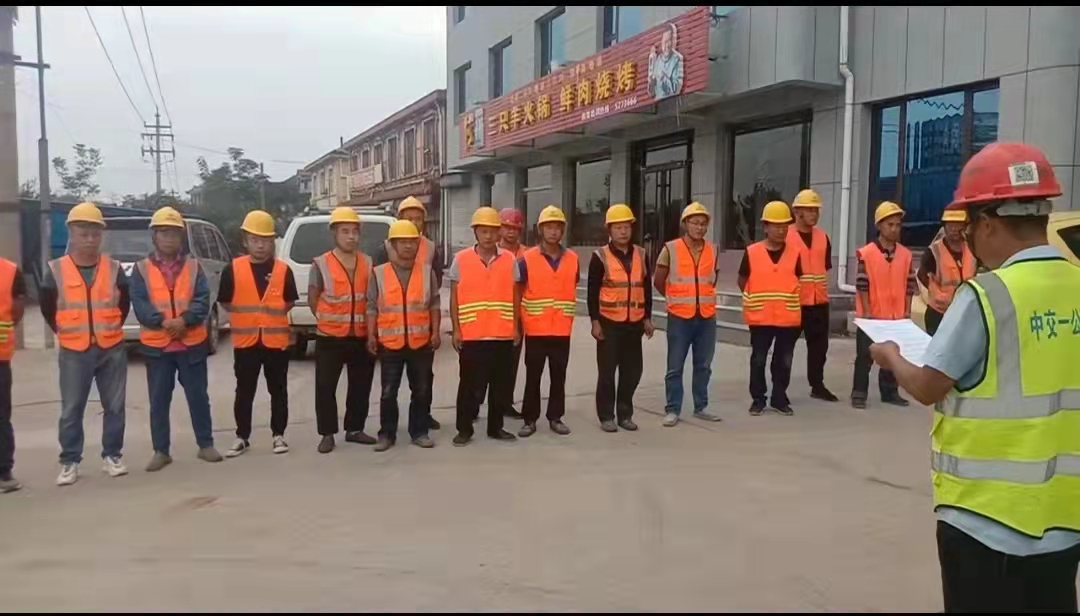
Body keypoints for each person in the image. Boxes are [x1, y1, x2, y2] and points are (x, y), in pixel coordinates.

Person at [868, 142, 1080, 613]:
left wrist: (891, 357)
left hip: (985, 523)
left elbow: (928, 386)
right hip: (1065, 519)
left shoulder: (987, 295)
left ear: (986, 223)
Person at [41, 202, 130, 486]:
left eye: (95, 234)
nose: (90, 240)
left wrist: (108, 327)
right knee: (72, 408)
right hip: (74, 350)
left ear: (101, 235)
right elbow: (48, 307)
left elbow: (123, 304)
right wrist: (67, 331)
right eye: (84, 234)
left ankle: (112, 455)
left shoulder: (114, 269)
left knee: (115, 406)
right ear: (72, 233)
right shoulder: (56, 270)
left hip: (111, 347)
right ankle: (70, 461)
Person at [129, 207, 223, 472]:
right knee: (159, 401)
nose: (169, 238)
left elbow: (202, 299)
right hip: (158, 347)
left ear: (182, 237)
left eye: (174, 233)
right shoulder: (141, 269)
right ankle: (161, 451)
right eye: (164, 233)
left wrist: (185, 320)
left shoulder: (194, 267)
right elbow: (140, 302)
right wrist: (163, 322)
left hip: (191, 344)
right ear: (155, 236)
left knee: (198, 397)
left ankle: (205, 444)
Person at [218, 210, 298, 457]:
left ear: (272, 241)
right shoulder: (233, 269)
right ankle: (242, 436)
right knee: (244, 391)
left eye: (265, 240)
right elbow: (226, 302)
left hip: (275, 342)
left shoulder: (283, 270)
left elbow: (288, 301)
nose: (260, 245)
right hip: (246, 342)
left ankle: (278, 435)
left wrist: (268, 317)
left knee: (278, 390)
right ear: (245, 241)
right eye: (255, 240)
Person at [367, 219, 441, 451]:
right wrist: (371, 335)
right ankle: (387, 434)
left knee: (421, 391)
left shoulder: (427, 272)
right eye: (403, 242)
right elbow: (371, 306)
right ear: (393, 245)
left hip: (421, 342)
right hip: (390, 343)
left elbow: (434, 304)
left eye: (412, 242)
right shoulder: (379, 274)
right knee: (388, 392)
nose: (408, 246)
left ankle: (419, 432)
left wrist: (436, 332)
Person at [450, 207, 521, 446]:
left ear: (499, 232)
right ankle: (464, 429)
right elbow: (454, 297)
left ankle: (496, 427)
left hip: (502, 334)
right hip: (472, 335)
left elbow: (515, 295)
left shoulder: (509, 259)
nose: (488, 236)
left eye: (492, 231)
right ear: (475, 232)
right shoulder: (461, 259)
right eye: (483, 231)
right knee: (469, 386)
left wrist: (515, 327)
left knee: (500, 386)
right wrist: (456, 329)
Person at [310, 207, 377, 454]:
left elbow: (372, 299)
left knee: (360, 385)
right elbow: (313, 297)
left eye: (354, 232)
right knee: (325, 386)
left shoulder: (368, 262)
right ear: (334, 234)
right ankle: (327, 433)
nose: (351, 237)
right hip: (330, 336)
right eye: (345, 231)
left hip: (360, 334)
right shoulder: (321, 263)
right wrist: (328, 320)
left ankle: (355, 429)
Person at [653, 202, 722, 427]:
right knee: (675, 366)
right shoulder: (670, 249)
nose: (700, 228)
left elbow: (712, 280)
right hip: (679, 317)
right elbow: (658, 280)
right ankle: (672, 408)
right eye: (695, 223)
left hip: (706, 317)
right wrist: (675, 298)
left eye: (703, 224)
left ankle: (701, 406)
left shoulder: (713, 250)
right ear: (685, 224)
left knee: (704, 365)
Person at [588, 204, 654, 433]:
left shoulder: (641, 254)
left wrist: (647, 317)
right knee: (607, 373)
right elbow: (592, 292)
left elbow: (646, 288)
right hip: (609, 323)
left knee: (632, 372)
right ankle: (606, 416)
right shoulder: (600, 257)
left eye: (626, 227)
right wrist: (595, 321)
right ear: (609, 230)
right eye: (618, 227)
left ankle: (625, 414)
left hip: (634, 324)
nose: (623, 231)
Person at [517, 205, 578, 438]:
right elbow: (518, 291)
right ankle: (529, 419)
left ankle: (556, 417)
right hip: (536, 330)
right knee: (533, 377)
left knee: (558, 376)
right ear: (540, 230)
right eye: (549, 227)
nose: (553, 232)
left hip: (562, 329)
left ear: (563, 231)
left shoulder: (572, 258)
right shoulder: (527, 259)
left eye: (557, 228)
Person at [739, 201, 802, 416]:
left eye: (785, 226)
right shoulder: (752, 252)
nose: (781, 230)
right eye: (776, 226)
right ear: (765, 227)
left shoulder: (795, 253)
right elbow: (742, 280)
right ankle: (758, 399)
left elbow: (798, 280)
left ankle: (779, 398)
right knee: (758, 360)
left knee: (784, 361)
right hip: (760, 317)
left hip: (787, 318)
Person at [851, 201, 915, 410]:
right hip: (871, 316)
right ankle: (859, 393)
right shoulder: (867, 253)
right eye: (890, 225)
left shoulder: (905, 255)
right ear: (879, 226)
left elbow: (909, 285)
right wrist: (868, 312)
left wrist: (907, 311)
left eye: (897, 225)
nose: (895, 229)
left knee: (892, 357)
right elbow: (862, 284)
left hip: (895, 316)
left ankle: (889, 392)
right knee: (865, 356)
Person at [789, 188, 838, 401]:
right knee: (785, 349)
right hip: (794, 302)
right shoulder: (786, 236)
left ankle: (817, 385)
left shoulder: (822, 237)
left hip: (818, 301)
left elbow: (824, 267)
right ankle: (779, 390)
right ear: (797, 212)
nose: (814, 214)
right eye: (810, 210)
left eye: (816, 210)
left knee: (819, 348)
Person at [917, 209, 976, 335]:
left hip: (965, 311)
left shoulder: (972, 248)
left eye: (957, 224)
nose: (954, 229)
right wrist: (938, 295)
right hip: (939, 313)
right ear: (944, 226)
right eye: (950, 225)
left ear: (964, 226)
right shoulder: (934, 251)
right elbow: (922, 275)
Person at [494, 207, 527, 420]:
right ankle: (475, 403)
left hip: (518, 316)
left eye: (515, 228)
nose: (511, 232)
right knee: (485, 365)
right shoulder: (491, 251)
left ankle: (506, 403)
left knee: (511, 364)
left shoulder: (528, 254)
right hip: (494, 314)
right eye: (507, 227)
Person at [0, 255, 26, 492]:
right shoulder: (9, 270)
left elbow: (17, 311)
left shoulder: (10, 271)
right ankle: (3, 473)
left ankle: (3, 472)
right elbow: (17, 311)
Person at [647, 23, 684, 100]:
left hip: (672, 102)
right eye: (665, 42)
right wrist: (652, 82)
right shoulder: (658, 60)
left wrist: (663, 78)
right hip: (658, 102)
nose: (667, 45)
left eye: (669, 41)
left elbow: (675, 89)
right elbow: (651, 92)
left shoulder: (677, 59)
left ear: (674, 41)